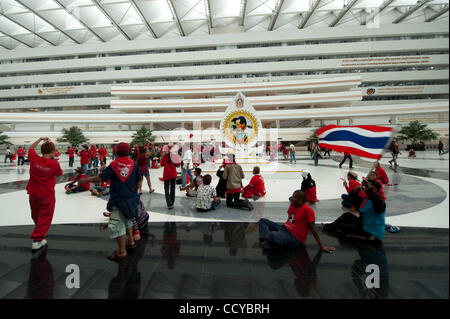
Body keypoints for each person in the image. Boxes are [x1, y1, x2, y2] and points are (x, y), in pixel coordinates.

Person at [78, 142, 142, 260]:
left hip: (119, 200)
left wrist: (86, 180)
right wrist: (135, 193)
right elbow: (139, 180)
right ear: (129, 151)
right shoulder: (134, 164)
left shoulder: (114, 165)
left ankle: (122, 251)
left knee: (118, 225)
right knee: (128, 220)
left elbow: (101, 178)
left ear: (117, 152)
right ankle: (131, 242)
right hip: (131, 199)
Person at [258, 190, 335, 253]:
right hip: (285, 228)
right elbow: (291, 220)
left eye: (294, 198)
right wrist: (285, 228)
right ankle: (267, 240)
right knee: (262, 221)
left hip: (295, 237)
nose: (292, 199)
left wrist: (321, 246)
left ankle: (269, 239)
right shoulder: (293, 204)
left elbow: (313, 229)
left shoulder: (308, 211)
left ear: (301, 200)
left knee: (272, 235)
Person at [26, 137, 63, 252]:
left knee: (36, 215)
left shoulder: (34, 158)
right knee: (45, 217)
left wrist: (40, 139)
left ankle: (40, 234)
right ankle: (37, 240)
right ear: (53, 152)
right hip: (46, 194)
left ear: (41, 151)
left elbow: (31, 148)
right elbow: (59, 174)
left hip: (33, 193)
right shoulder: (54, 164)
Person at [161, 144, 179, 209]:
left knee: (166, 189)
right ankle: (172, 202)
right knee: (173, 188)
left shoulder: (164, 156)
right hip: (173, 173)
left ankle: (169, 204)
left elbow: (161, 164)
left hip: (166, 174)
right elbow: (178, 164)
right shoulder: (175, 156)